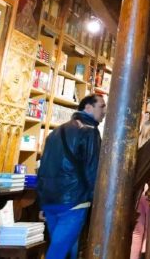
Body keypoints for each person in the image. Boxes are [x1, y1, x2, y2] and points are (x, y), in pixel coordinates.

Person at [37, 94, 106, 259]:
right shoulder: (90, 132)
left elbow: (43, 168)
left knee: (67, 251)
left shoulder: (55, 132)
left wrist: (41, 201)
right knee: (58, 253)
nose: (104, 111)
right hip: (74, 201)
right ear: (88, 108)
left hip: (50, 201)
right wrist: (95, 199)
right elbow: (93, 168)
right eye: (102, 106)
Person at [130, 119, 150, 259]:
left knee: (137, 229)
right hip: (147, 191)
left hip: (138, 192)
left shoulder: (136, 148)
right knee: (143, 229)